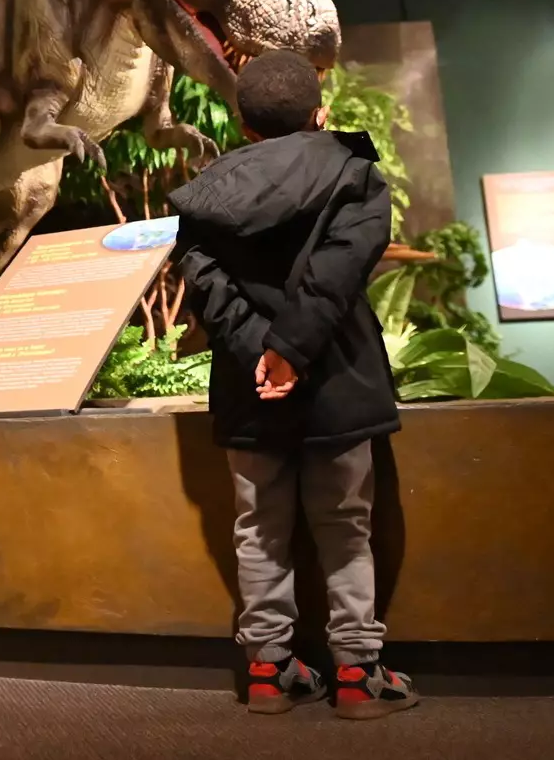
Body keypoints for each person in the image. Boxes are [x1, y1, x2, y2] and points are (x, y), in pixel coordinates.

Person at [168, 50, 418, 721]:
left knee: (259, 530)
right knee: (344, 528)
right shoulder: (355, 173)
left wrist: (262, 352)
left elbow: (206, 285)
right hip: (337, 377)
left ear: (243, 125)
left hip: (249, 388)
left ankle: (268, 672)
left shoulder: (206, 191)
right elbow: (336, 273)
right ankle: (359, 676)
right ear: (320, 114)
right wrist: (292, 351)